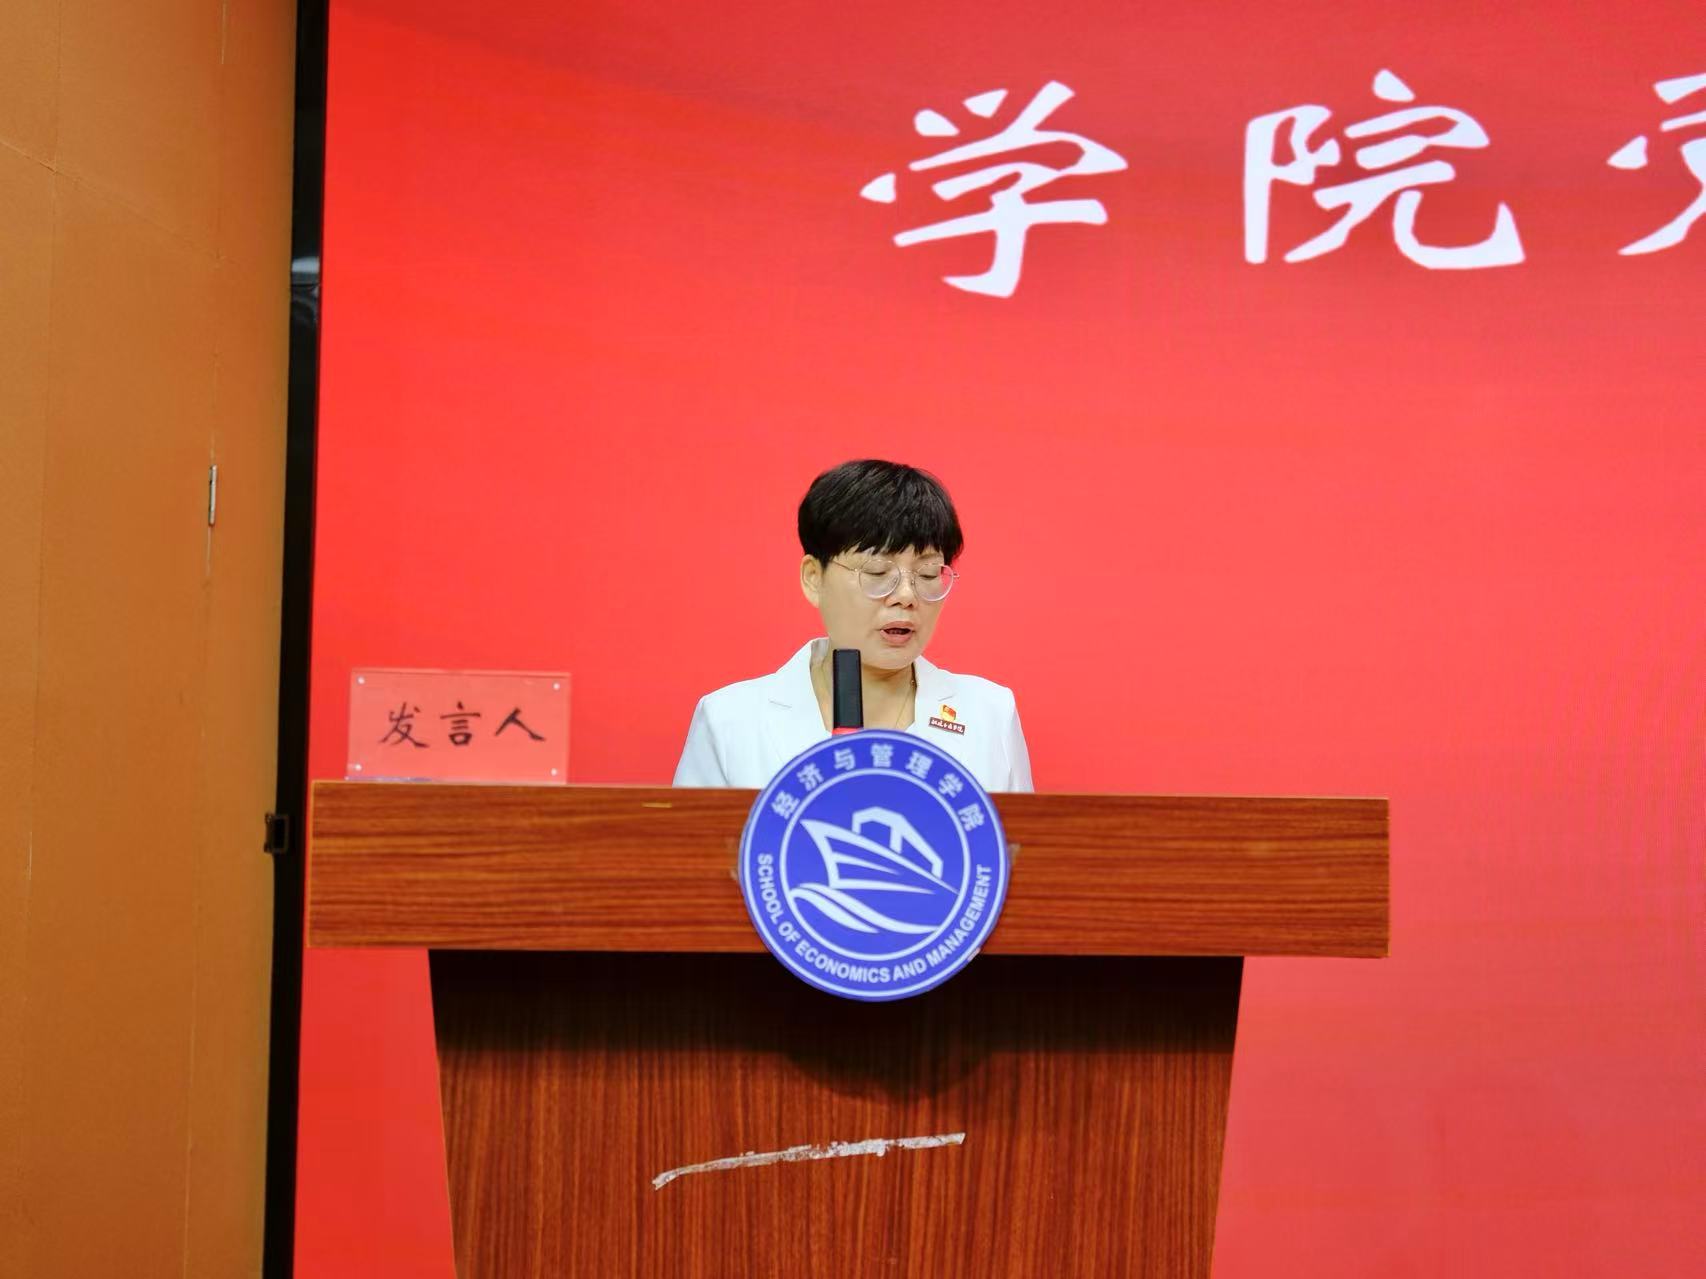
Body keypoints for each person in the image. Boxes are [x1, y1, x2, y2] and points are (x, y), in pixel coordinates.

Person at [673, 459, 1033, 791]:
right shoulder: (729, 721)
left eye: (926, 573)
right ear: (814, 578)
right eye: (877, 572)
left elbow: (1019, 840)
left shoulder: (990, 714)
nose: (906, 596)